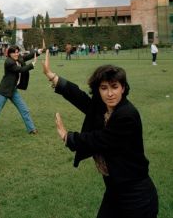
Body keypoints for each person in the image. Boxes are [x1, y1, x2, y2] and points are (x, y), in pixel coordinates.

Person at [42, 50, 158, 218]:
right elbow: (81, 98)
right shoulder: (104, 107)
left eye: (115, 87)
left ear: (123, 88)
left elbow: (100, 140)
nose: (110, 93)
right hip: (114, 191)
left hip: (136, 197)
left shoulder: (126, 115)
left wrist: (69, 137)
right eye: (104, 88)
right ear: (98, 90)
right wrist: (53, 77)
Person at [0, 46, 41, 136]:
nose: (16, 54)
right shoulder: (9, 62)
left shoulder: (18, 58)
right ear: (9, 53)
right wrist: (32, 65)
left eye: (17, 52)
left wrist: (37, 51)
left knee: (24, 110)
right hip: (4, 90)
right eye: (14, 52)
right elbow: (21, 69)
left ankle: (31, 129)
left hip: (13, 90)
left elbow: (26, 57)